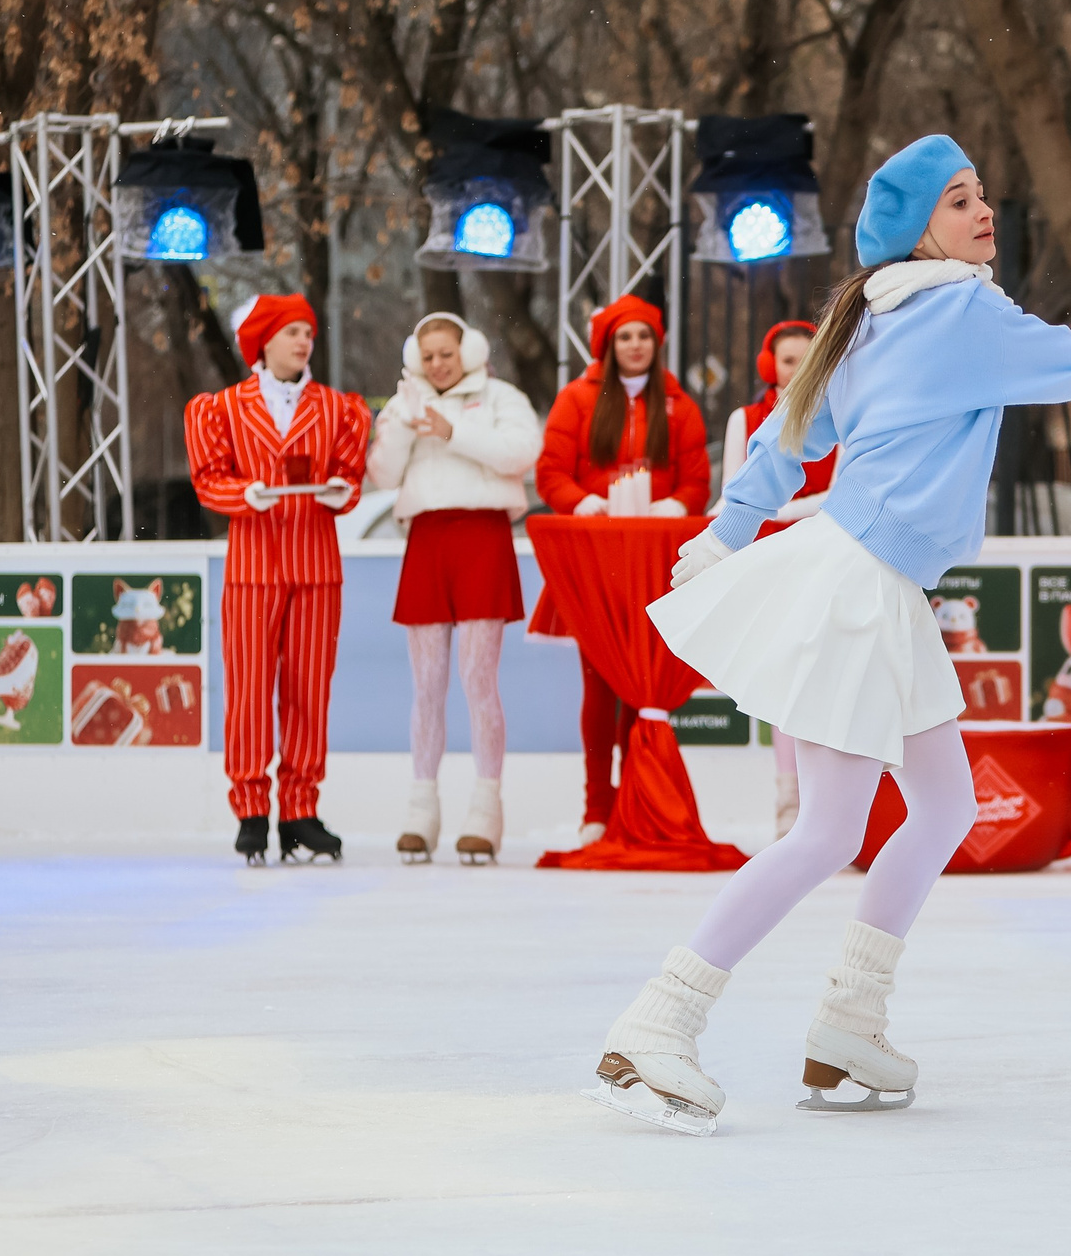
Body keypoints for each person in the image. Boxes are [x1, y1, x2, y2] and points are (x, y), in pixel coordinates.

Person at [582, 135, 1071, 1135]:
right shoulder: (956, 304)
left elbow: (791, 434)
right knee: (826, 829)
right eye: (959, 199)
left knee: (943, 804)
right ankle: (659, 1018)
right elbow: (1067, 361)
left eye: (982, 192)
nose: (983, 211)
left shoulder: (867, 315)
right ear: (919, 230)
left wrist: (725, 529)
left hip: (872, 579)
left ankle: (850, 1021)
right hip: (857, 580)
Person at [186, 294, 372, 866]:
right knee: (247, 692)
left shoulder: (339, 408)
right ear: (263, 341)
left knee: (308, 693)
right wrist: (245, 496)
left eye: (308, 332)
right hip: (252, 569)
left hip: (317, 569)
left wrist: (343, 492)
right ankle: (251, 809)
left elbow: (348, 476)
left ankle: (299, 809)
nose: (303, 341)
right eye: (291, 331)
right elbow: (208, 479)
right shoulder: (221, 409)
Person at [531, 295, 711, 844]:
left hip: (654, 564)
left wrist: (676, 505)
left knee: (645, 684)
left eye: (644, 337)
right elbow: (550, 472)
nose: (635, 346)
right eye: (625, 337)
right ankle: (597, 808)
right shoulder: (578, 399)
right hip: (596, 563)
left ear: (657, 345)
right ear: (608, 346)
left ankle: (642, 801)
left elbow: (697, 479)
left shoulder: (679, 404)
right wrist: (583, 503)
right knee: (598, 687)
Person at [366, 312, 543, 865]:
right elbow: (384, 475)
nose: (437, 363)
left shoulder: (501, 396)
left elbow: (521, 454)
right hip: (427, 538)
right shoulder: (403, 404)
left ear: (466, 351)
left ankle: (485, 808)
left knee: (476, 678)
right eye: (428, 356)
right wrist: (399, 426)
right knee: (427, 682)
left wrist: (451, 431)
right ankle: (422, 806)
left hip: (482, 536)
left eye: (446, 352)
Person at [720, 319, 837, 840]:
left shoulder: (842, 410)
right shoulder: (745, 418)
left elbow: (848, 489)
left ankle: (826, 799)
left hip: (830, 554)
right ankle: (789, 796)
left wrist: (784, 507)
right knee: (786, 681)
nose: (795, 369)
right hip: (770, 559)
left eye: (804, 358)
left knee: (827, 679)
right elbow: (732, 493)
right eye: (787, 360)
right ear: (771, 366)